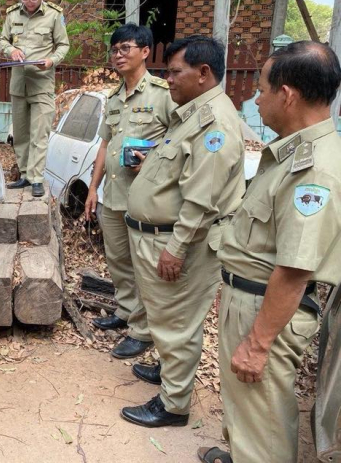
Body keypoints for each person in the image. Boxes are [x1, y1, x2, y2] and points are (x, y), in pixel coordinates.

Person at [199, 41, 341, 463]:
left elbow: (295, 270)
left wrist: (258, 343)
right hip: (251, 298)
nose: (254, 99)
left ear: (288, 95)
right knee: (248, 411)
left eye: (261, 90)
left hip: (267, 307)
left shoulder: (314, 170)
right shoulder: (290, 152)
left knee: (264, 423)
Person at [120, 36, 245, 427]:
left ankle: (173, 405)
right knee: (167, 317)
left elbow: (202, 199)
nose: (168, 80)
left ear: (203, 73)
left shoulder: (213, 124)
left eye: (175, 72)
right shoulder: (191, 114)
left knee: (177, 323)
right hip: (158, 236)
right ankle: (169, 371)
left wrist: (176, 248)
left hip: (177, 241)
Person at [84, 23, 176, 359]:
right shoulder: (113, 97)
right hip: (114, 195)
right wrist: (93, 188)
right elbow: (104, 144)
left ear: (145, 51)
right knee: (119, 260)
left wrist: (153, 161)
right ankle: (125, 312)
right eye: (114, 50)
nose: (118, 55)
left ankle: (142, 331)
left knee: (143, 268)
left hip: (146, 200)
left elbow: (178, 142)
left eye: (126, 48)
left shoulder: (163, 95)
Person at [0, 0, 70, 197]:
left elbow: (63, 45)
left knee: (39, 134)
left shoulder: (54, 15)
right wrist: (11, 50)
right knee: (20, 135)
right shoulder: (12, 14)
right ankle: (25, 175)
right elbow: (3, 40)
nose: (29, 2)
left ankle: (36, 178)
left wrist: (51, 61)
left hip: (42, 84)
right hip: (19, 83)